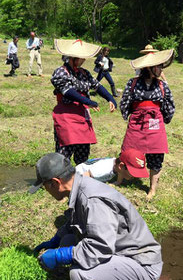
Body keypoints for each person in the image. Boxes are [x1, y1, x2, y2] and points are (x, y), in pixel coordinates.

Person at [30, 152, 163, 280]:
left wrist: (60, 255)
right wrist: (56, 240)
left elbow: (98, 248)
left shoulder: (92, 198)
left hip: (141, 264)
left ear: (55, 183)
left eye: (44, 187)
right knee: (67, 239)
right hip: (121, 254)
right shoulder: (80, 185)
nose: (46, 192)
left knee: (80, 274)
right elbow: (76, 222)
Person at [120, 49, 175, 199]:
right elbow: (125, 101)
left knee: (156, 154)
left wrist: (165, 119)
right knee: (128, 150)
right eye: (157, 66)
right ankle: (123, 178)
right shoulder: (133, 83)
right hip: (137, 121)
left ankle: (152, 188)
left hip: (154, 122)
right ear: (148, 68)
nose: (160, 69)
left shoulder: (162, 86)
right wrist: (128, 115)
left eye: (160, 66)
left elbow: (169, 106)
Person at [51, 39, 117, 165]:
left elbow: (97, 86)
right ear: (73, 58)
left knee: (83, 152)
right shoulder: (60, 72)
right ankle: (59, 181)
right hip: (66, 116)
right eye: (82, 58)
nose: (84, 60)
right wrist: (89, 101)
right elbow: (68, 91)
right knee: (64, 152)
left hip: (82, 116)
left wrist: (110, 98)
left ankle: (80, 179)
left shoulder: (84, 73)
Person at [76, 148, 149, 185]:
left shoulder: (116, 166)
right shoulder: (103, 169)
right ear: (121, 166)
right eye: (132, 173)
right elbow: (83, 178)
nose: (134, 176)